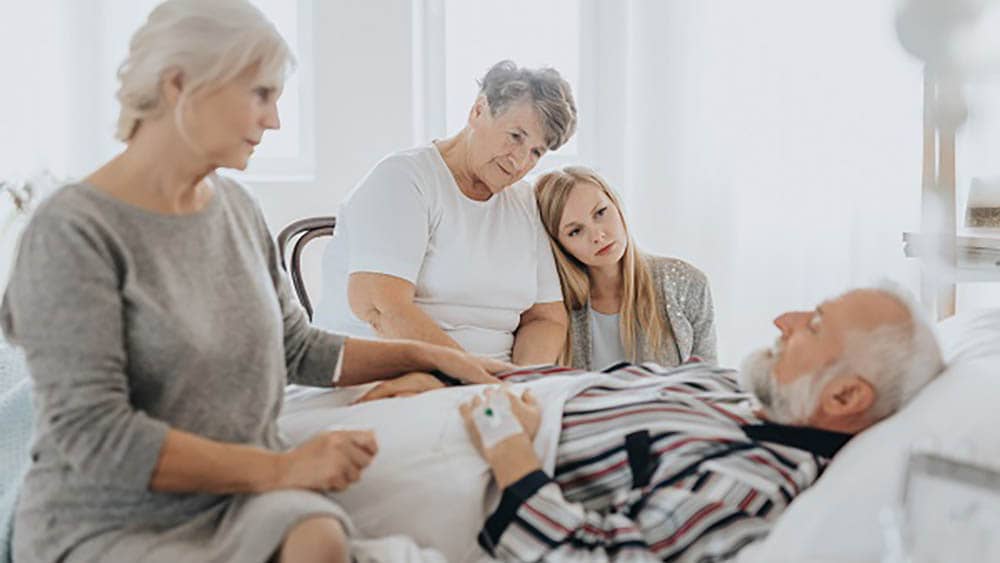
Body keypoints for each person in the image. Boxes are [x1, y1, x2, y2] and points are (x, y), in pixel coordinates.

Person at [0, 2, 508, 562]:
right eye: (260, 95)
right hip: (107, 517)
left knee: (320, 537)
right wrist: (284, 467)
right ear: (179, 84)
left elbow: (296, 347)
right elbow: (95, 434)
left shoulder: (238, 208)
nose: (275, 121)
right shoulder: (73, 232)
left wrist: (432, 356)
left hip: (232, 498)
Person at [298, 285, 942, 561]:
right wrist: (447, 376)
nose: (785, 320)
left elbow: (598, 557)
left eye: (816, 326)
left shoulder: (752, 480)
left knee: (244, 474)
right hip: (485, 401)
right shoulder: (737, 389)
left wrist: (506, 445)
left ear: (845, 396)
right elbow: (589, 383)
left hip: (485, 459)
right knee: (275, 406)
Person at [314, 60, 578, 365]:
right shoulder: (404, 179)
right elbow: (382, 308)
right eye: (516, 136)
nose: (520, 162)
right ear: (478, 111)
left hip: (494, 384)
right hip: (395, 372)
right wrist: (475, 377)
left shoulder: (524, 201)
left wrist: (521, 382)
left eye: (536, 152)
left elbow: (546, 318)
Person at [534, 166, 717, 370]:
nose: (597, 236)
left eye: (601, 213)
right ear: (559, 244)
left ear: (616, 204)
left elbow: (708, 381)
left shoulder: (686, 282)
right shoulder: (551, 309)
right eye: (575, 231)